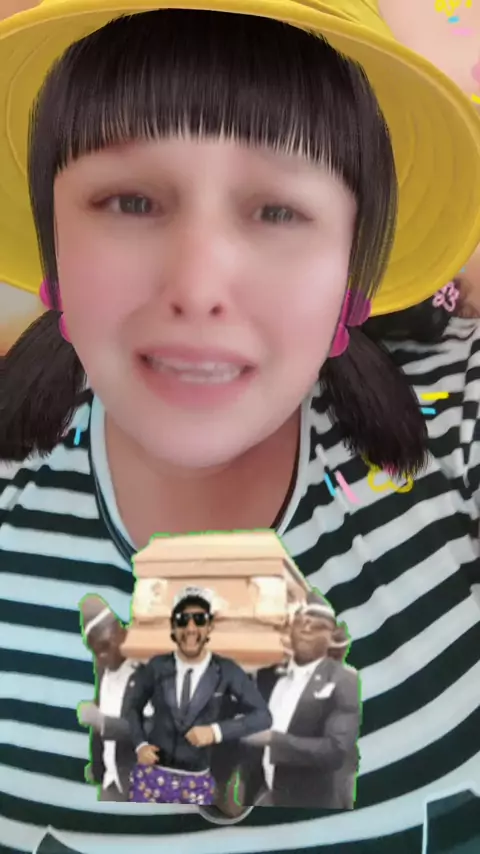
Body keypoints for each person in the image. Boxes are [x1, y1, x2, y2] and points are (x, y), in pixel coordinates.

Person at [0, 1, 479, 852]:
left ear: (353, 272)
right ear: (54, 249)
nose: (197, 286)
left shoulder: (457, 428)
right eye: (132, 200)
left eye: (278, 211)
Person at [126, 587, 272, 804]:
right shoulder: (157, 666)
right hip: (151, 777)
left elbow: (263, 716)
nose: (191, 628)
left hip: (196, 782)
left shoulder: (226, 670)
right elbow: (132, 707)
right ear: (173, 627)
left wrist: (216, 732)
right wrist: (140, 745)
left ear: (210, 626)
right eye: (182, 620)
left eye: (199, 620)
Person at [238, 593, 361, 809]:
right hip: (266, 796)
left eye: (317, 626)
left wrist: (272, 739)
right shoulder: (269, 676)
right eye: (301, 623)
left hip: (314, 804)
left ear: (332, 637)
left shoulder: (343, 679)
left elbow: (335, 750)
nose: (306, 629)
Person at [76, 595, 153, 801]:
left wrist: (106, 724)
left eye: (105, 646)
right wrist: (97, 770)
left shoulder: (147, 670)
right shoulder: (103, 669)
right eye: (96, 651)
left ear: (122, 632)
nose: (102, 656)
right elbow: (99, 720)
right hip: (110, 783)